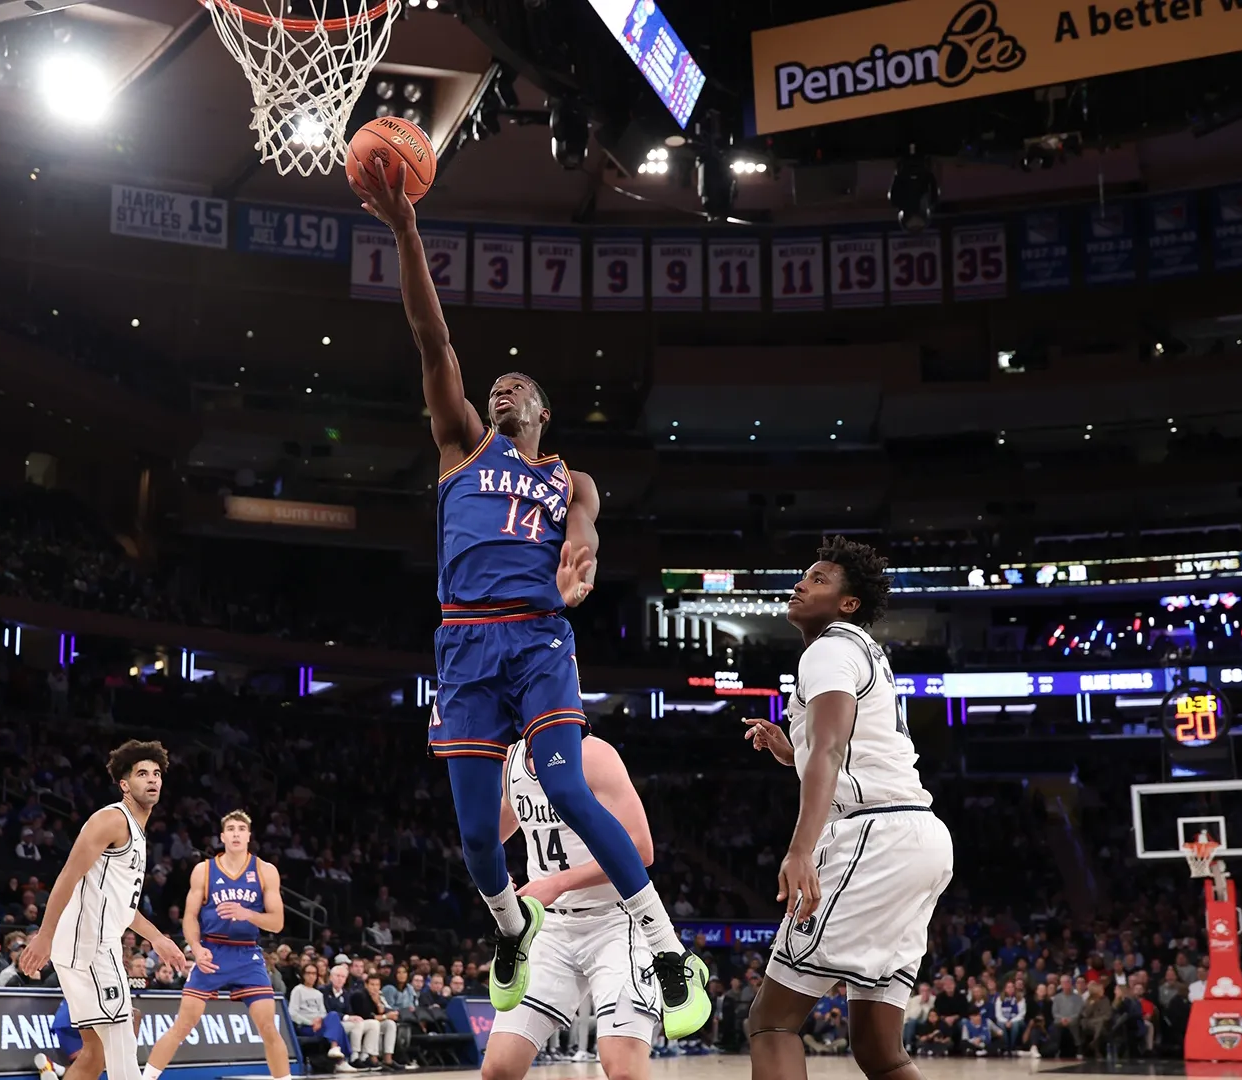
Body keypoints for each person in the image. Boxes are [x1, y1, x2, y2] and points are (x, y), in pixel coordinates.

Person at [349, 161, 704, 1039]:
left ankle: (666, 951)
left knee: (568, 789)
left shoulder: (567, 475)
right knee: (476, 839)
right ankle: (513, 928)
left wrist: (582, 553)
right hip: (464, 644)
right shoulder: (461, 444)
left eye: (520, 387)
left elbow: (585, 519)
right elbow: (434, 342)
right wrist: (403, 229)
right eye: (496, 384)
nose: (502, 388)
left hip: (539, 638)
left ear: (544, 411)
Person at [740, 536, 955, 1080]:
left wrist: (800, 850)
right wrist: (790, 750)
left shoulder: (828, 649)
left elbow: (834, 751)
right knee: (880, 1053)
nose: (800, 584)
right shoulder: (860, 651)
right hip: (920, 838)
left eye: (816, 580)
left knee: (771, 1023)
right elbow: (843, 749)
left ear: (847, 603)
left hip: (874, 838)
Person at [482, 735, 660, 1080]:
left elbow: (641, 850)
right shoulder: (512, 761)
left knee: (623, 1070)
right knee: (498, 1069)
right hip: (548, 928)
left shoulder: (595, 753)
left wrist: (558, 882)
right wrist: (490, 871)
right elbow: (489, 836)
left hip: (614, 921)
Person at [18, 742, 188, 1080]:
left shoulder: (138, 834)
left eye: (156, 774)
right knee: (122, 1035)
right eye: (142, 774)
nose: (152, 780)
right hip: (90, 943)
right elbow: (67, 875)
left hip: (91, 940)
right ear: (124, 784)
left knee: (94, 1053)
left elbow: (125, 907)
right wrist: (45, 935)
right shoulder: (113, 819)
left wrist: (157, 938)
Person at [141, 810, 290, 1080]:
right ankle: (146, 1078)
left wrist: (248, 914)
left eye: (241, 829)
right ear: (222, 836)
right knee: (183, 1024)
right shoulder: (204, 870)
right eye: (230, 829)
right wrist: (196, 949)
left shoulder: (265, 871)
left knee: (268, 1026)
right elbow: (189, 916)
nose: (235, 833)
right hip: (212, 951)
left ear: (248, 836)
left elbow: (277, 923)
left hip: (247, 954)